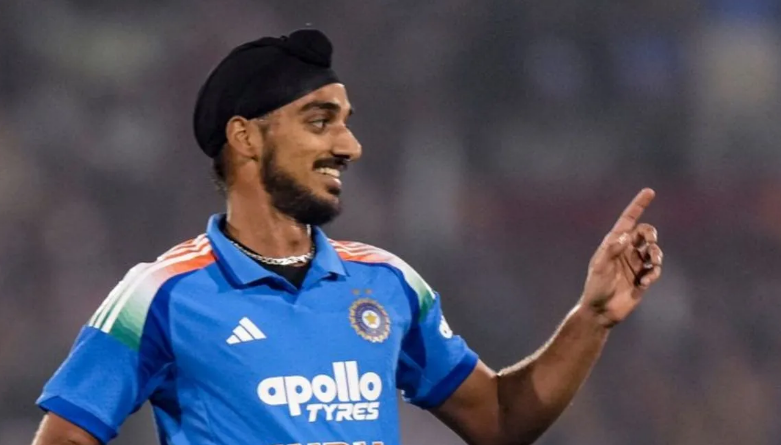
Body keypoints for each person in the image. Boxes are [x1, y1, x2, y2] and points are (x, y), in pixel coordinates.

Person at [30, 29, 663, 445]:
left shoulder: (386, 282)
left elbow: (498, 418)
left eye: (347, 122)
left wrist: (592, 318)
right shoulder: (161, 294)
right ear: (246, 137)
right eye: (320, 121)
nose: (350, 145)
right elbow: (66, 435)